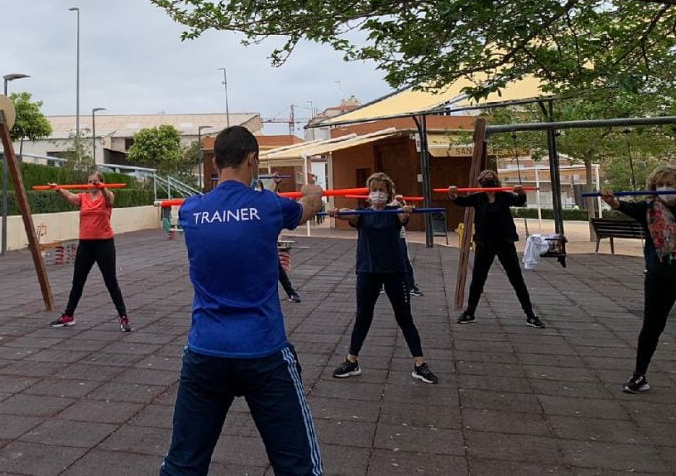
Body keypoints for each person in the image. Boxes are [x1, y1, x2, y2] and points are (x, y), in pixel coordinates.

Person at [160, 126, 323, 475]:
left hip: (206, 351)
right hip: (262, 352)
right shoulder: (266, 205)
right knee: (298, 466)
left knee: (182, 466)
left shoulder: (190, 211)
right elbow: (309, 208)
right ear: (252, 160)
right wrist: (314, 191)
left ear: (216, 163)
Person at [327, 173, 438, 384]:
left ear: (388, 194)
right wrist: (336, 212)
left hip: (395, 272)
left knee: (404, 317)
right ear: (369, 193)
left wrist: (405, 210)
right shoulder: (361, 214)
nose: (377, 193)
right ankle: (352, 361)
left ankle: (419, 364)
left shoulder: (394, 212)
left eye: (382, 190)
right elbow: (347, 214)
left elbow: (403, 218)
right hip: (368, 272)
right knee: (363, 316)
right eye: (374, 189)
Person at [601, 165, 676, 394]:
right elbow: (623, 206)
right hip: (660, 274)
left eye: (670, 184)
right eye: (660, 185)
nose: (665, 189)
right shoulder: (648, 208)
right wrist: (611, 201)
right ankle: (640, 375)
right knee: (652, 325)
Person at [449, 170, 545, 328]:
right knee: (478, 279)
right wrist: (452, 194)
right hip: (484, 244)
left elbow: (519, 201)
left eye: (489, 182)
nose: (487, 186)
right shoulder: (478, 198)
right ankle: (470, 312)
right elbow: (461, 201)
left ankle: (530, 314)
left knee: (516, 279)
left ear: (495, 183)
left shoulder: (503, 196)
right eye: (484, 183)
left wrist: (521, 193)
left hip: (504, 243)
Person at [47, 170, 131, 332]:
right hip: (85, 245)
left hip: (104, 244)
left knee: (111, 281)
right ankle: (68, 315)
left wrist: (103, 188)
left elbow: (110, 198)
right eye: (90, 181)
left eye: (95, 181)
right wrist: (58, 189)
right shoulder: (83, 197)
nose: (92, 183)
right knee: (77, 281)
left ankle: (123, 317)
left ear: (101, 182)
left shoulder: (106, 197)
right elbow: (71, 198)